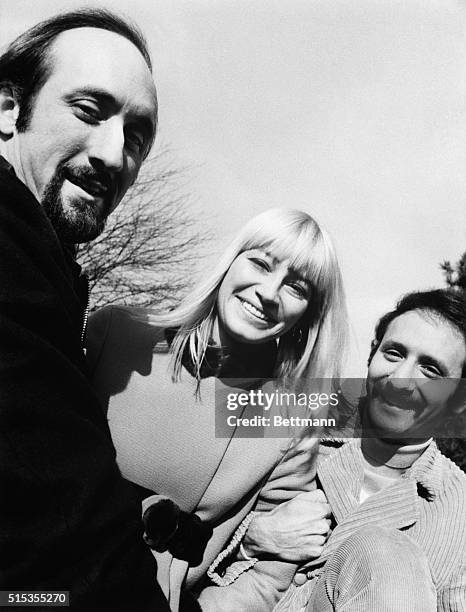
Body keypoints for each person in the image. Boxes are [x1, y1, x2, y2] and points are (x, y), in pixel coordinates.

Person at [85, 207, 349, 611]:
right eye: (260, 263)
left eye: (296, 288)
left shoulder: (285, 422)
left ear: (307, 319)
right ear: (231, 262)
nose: (268, 292)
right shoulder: (115, 334)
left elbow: (271, 573)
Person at [0, 9, 169, 610]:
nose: (114, 154)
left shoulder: (50, 286)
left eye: (139, 136)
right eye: (89, 110)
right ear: (7, 109)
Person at [232, 288, 466, 612]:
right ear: (372, 356)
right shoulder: (294, 431)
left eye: (431, 370)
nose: (400, 379)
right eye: (394, 353)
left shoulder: (458, 509)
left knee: (384, 553)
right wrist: (253, 537)